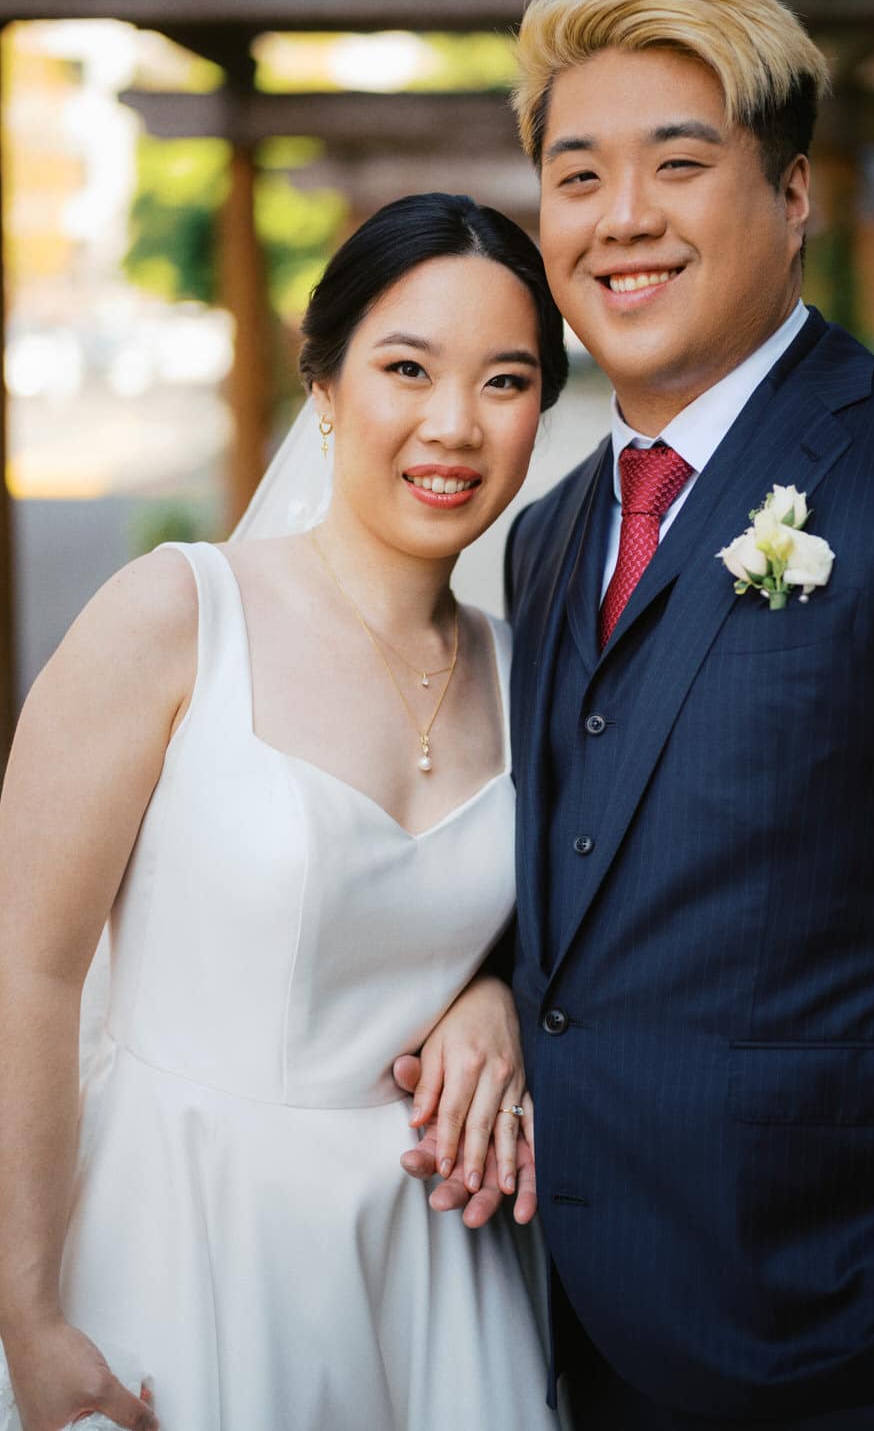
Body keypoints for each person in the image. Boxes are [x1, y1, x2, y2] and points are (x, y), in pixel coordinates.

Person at [401, 0, 874, 1431]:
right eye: (578, 173)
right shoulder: (548, 535)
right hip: (586, 1334)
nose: (624, 217)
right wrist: (486, 980)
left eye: (679, 163)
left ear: (793, 194)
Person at [0, 192, 569, 1430]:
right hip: (186, 1239)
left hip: (432, 1270)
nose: (453, 425)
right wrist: (27, 1314)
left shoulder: (538, 679)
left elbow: (562, 932)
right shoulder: (175, 618)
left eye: (507, 381)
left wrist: (498, 995)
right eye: (406, 367)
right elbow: (27, 976)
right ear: (323, 382)